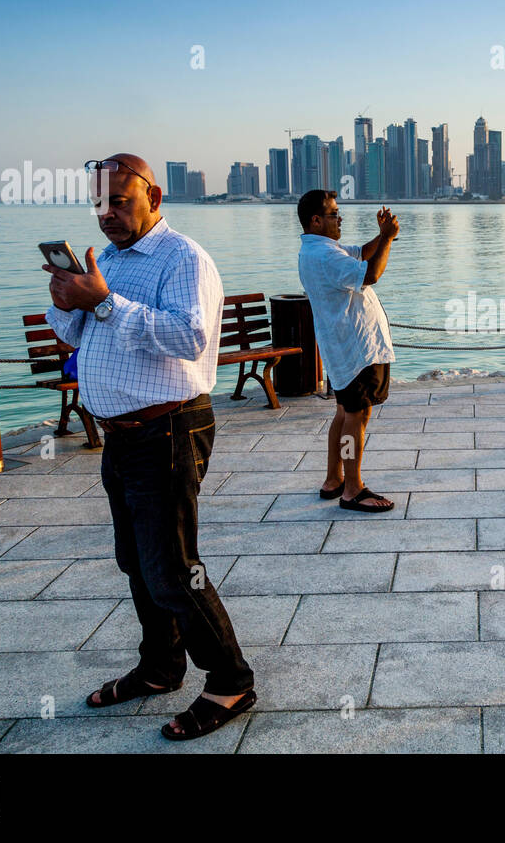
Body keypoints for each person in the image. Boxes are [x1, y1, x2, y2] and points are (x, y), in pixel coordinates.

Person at [43, 153, 255, 740]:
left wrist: (104, 302)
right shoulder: (105, 259)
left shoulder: (184, 258)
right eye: (99, 202)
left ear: (154, 198)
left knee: (172, 567)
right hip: (121, 436)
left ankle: (231, 679)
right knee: (136, 561)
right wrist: (69, 302)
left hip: (169, 428)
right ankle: (162, 666)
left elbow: (191, 338)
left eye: (120, 200)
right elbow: (75, 335)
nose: (106, 213)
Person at [296, 189, 398, 512]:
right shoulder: (326, 256)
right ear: (316, 221)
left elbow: (362, 253)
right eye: (333, 213)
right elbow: (371, 273)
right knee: (357, 415)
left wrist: (380, 237)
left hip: (342, 349)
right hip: (355, 349)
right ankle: (352, 488)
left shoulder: (320, 250)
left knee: (343, 412)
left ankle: (333, 479)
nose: (340, 218)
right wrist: (389, 239)